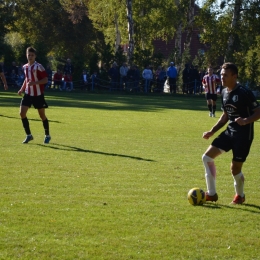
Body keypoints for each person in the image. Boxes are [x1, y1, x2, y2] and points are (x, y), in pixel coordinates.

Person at [202, 62, 260, 204]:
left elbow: (258, 112)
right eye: (221, 74)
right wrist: (212, 131)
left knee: (235, 168)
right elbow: (225, 116)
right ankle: (212, 194)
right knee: (207, 157)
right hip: (229, 132)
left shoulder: (244, 93)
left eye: (225, 75)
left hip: (243, 136)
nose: (222, 77)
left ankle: (240, 195)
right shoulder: (223, 92)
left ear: (234, 76)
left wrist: (246, 120)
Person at [18, 46, 51, 144]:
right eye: (29, 55)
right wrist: (21, 89)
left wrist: (34, 83)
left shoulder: (39, 66)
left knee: (42, 116)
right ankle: (29, 135)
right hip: (28, 94)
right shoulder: (25, 67)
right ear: (26, 55)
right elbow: (27, 79)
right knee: (22, 113)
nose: (30, 56)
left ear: (35, 56)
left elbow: (45, 80)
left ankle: (47, 135)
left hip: (38, 95)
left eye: (32, 55)